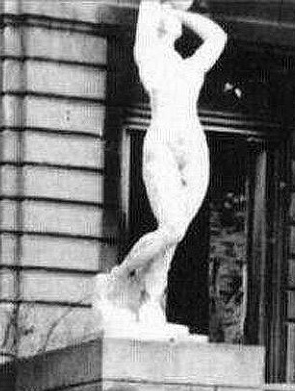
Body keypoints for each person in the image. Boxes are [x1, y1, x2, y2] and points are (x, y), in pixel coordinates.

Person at [96, 0, 226, 326]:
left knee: (176, 234)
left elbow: (217, 37)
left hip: (194, 151)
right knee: (171, 228)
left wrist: (180, 12)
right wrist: (161, 7)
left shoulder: (190, 66)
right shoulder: (150, 60)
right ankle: (121, 275)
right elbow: (148, 7)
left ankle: (152, 298)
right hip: (162, 147)